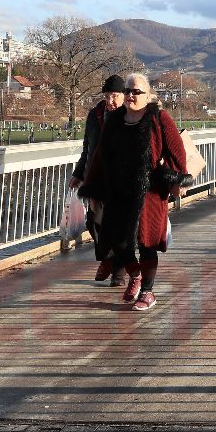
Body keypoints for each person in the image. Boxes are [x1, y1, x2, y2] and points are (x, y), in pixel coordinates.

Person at [78, 73, 186, 311]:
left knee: (147, 242)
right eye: (127, 91)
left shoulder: (158, 118)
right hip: (117, 189)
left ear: (148, 95)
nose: (130, 96)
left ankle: (147, 292)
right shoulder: (115, 120)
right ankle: (134, 274)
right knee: (115, 239)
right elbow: (99, 155)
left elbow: (177, 151)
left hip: (150, 190)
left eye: (136, 92)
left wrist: (177, 181)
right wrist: (92, 188)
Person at [69, 74, 126, 286]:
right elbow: (87, 148)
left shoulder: (130, 115)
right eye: (107, 96)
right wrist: (78, 173)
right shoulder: (95, 114)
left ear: (124, 96)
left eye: (115, 96)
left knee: (118, 225)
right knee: (94, 222)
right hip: (96, 176)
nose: (110, 101)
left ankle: (118, 272)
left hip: (121, 178)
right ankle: (107, 258)